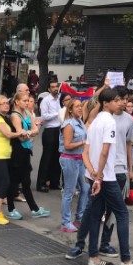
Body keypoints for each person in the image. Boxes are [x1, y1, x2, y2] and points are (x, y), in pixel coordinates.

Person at [81, 87, 133, 265]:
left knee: (95, 215)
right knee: (122, 214)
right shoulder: (108, 122)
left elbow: (85, 153)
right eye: (117, 100)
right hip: (107, 178)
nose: (121, 103)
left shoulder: (94, 122)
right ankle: (126, 262)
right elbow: (104, 151)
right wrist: (99, 176)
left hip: (97, 176)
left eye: (122, 100)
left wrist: (93, 173)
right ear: (106, 103)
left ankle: (93, 258)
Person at [0, 95, 28, 224]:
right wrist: (21, 132)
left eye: (7, 103)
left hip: (3, 154)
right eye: (3, 103)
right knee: (5, 183)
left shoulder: (3, 118)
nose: (6, 105)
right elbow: (7, 134)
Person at [6, 93, 49, 219]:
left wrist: (28, 132)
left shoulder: (28, 113)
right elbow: (20, 136)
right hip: (17, 152)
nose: (27, 103)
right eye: (24, 101)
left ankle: (34, 209)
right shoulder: (15, 115)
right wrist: (28, 133)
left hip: (26, 151)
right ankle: (10, 209)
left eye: (28, 101)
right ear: (17, 102)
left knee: (26, 181)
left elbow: (35, 130)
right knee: (14, 181)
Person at [59, 99, 89, 233]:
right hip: (69, 159)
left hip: (80, 158)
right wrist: (83, 142)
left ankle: (80, 218)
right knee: (69, 192)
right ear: (70, 109)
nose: (80, 108)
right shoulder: (69, 124)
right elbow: (67, 145)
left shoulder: (80, 122)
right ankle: (65, 223)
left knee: (86, 188)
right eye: (77, 106)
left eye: (81, 106)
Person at [37, 80, 65, 193]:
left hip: (60, 129)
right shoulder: (46, 101)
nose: (55, 88)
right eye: (52, 87)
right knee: (47, 157)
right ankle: (42, 182)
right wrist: (58, 113)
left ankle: (54, 182)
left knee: (57, 157)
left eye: (56, 86)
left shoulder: (60, 99)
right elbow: (44, 116)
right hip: (50, 130)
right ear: (49, 89)